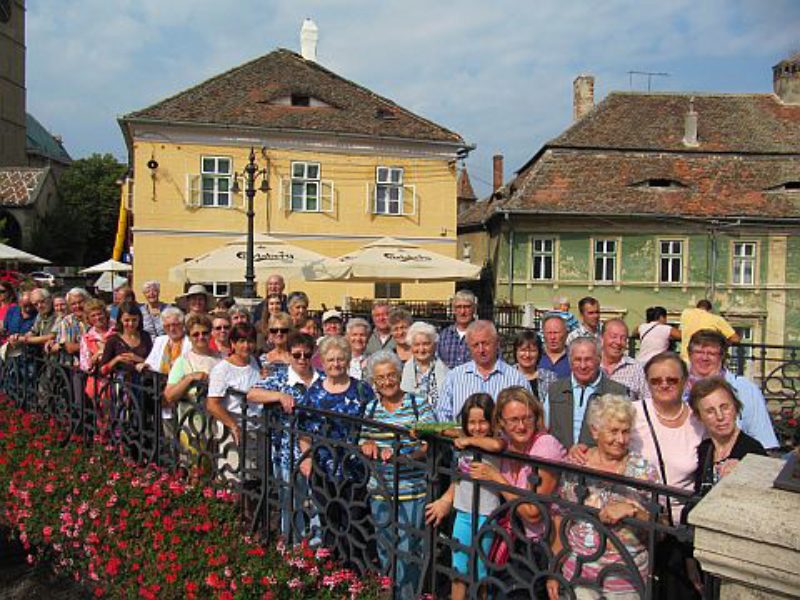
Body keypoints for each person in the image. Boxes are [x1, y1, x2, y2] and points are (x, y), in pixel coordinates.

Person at [548, 394, 659, 600]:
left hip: (625, 580)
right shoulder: (577, 466)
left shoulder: (643, 471)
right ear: (594, 431)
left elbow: (661, 526)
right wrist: (554, 568)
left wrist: (634, 511)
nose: (620, 439)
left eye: (625, 432)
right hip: (580, 574)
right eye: (613, 431)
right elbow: (561, 517)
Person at [469, 387, 565, 591]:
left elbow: (533, 513)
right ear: (501, 422)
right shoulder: (508, 445)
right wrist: (462, 437)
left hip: (543, 543)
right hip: (514, 537)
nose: (521, 426)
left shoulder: (545, 446)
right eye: (513, 420)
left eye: (527, 418)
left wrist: (496, 478)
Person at [360, 351, 437, 600]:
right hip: (380, 489)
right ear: (374, 381)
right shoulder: (371, 408)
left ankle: (406, 595)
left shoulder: (418, 404)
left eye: (391, 375)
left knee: (407, 548)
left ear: (399, 375)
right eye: (380, 378)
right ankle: (391, 589)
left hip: (411, 489)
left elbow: (429, 443)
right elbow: (364, 438)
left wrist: (406, 456)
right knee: (385, 546)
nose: (387, 382)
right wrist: (368, 445)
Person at [425, 393, 502, 600]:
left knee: (480, 568)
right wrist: (423, 431)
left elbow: (497, 445)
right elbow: (446, 429)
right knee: (458, 566)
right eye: (472, 422)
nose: (477, 427)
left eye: (483, 421)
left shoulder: (494, 441)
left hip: (486, 514)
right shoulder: (464, 441)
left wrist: (469, 438)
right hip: (463, 512)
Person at [248, 332, 319, 538]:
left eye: (307, 355)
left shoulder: (321, 378)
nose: (302, 359)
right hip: (287, 451)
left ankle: (315, 548)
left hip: (317, 451)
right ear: (289, 355)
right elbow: (252, 394)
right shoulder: (280, 379)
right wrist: (279, 395)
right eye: (297, 355)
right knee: (290, 501)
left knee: (316, 503)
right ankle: (291, 545)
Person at [684, 330, 778, 449]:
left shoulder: (745, 389)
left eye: (712, 353)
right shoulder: (677, 388)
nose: (704, 358)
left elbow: (764, 441)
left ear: (722, 356)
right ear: (689, 354)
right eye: (698, 352)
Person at [688, 376, 767, 497]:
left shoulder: (752, 450)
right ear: (699, 417)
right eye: (710, 411)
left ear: (735, 408)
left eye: (724, 407)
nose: (720, 417)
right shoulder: (704, 449)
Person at [437, 320, 528, 423]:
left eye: (485, 343)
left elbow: (528, 415)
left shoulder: (516, 379)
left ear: (497, 343)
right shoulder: (454, 377)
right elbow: (443, 414)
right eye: (475, 345)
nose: (481, 350)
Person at [545, 337, 629, 449]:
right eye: (577, 360)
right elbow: (544, 429)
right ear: (570, 362)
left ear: (599, 360)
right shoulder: (555, 390)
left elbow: (623, 436)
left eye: (588, 359)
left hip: (596, 463)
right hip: (559, 461)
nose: (583, 366)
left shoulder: (617, 392)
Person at [206, 323, 262, 479]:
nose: (246, 345)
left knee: (252, 479)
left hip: (254, 428)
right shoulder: (222, 369)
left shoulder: (253, 362)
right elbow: (212, 404)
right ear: (233, 343)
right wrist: (233, 425)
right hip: (233, 430)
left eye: (250, 341)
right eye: (242, 341)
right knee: (233, 477)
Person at [163, 313, 220, 457]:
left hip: (218, 426)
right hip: (192, 426)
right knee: (195, 470)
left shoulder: (221, 358)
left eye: (205, 333)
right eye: (196, 334)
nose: (201, 337)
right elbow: (169, 395)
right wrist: (188, 379)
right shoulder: (183, 361)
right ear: (189, 337)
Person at [401, 321, 448, 410]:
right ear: (411, 347)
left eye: (426, 344)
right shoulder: (404, 370)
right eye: (417, 345)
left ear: (434, 345)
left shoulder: (445, 371)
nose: (421, 349)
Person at [600, 319, 649, 402]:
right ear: (602, 338)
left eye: (623, 338)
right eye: (614, 337)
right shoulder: (591, 365)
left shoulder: (636, 369)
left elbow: (647, 401)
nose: (618, 342)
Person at [99, 302, 152, 376]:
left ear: (139, 319)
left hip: (145, 384)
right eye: (127, 320)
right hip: (122, 384)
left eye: (134, 320)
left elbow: (153, 363)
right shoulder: (113, 340)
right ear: (120, 320)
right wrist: (117, 359)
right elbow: (102, 371)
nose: (130, 324)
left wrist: (139, 359)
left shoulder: (145, 336)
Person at [142, 307, 190, 375]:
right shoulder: (160, 340)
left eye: (175, 325)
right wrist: (144, 365)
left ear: (182, 324)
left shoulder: (190, 342)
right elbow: (150, 362)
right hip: (160, 382)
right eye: (167, 326)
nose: (171, 329)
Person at [436, 291, 477, 369]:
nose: (462, 312)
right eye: (459, 307)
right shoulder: (444, 336)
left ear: (474, 309)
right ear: (454, 310)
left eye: (467, 307)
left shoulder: (483, 335)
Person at [512, 329, 552, 400]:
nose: (527, 355)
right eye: (523, 350)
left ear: (539, 353)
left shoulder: (550, 378)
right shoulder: (507, 376)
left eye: (532, 351)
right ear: (516, 352)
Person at [50, 287, 89, 358]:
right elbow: (70, 348)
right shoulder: (67, 321)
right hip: (74, 364)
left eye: (80, 302)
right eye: (73, 304)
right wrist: (92, 346)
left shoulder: (95, 318)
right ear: (69, 306)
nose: (77, 306)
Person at [539, 315, 570, 380]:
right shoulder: (535, 357)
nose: (552, 337)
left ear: (566, 334)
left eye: (556, 333)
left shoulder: (574, 357)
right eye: (549, 333)